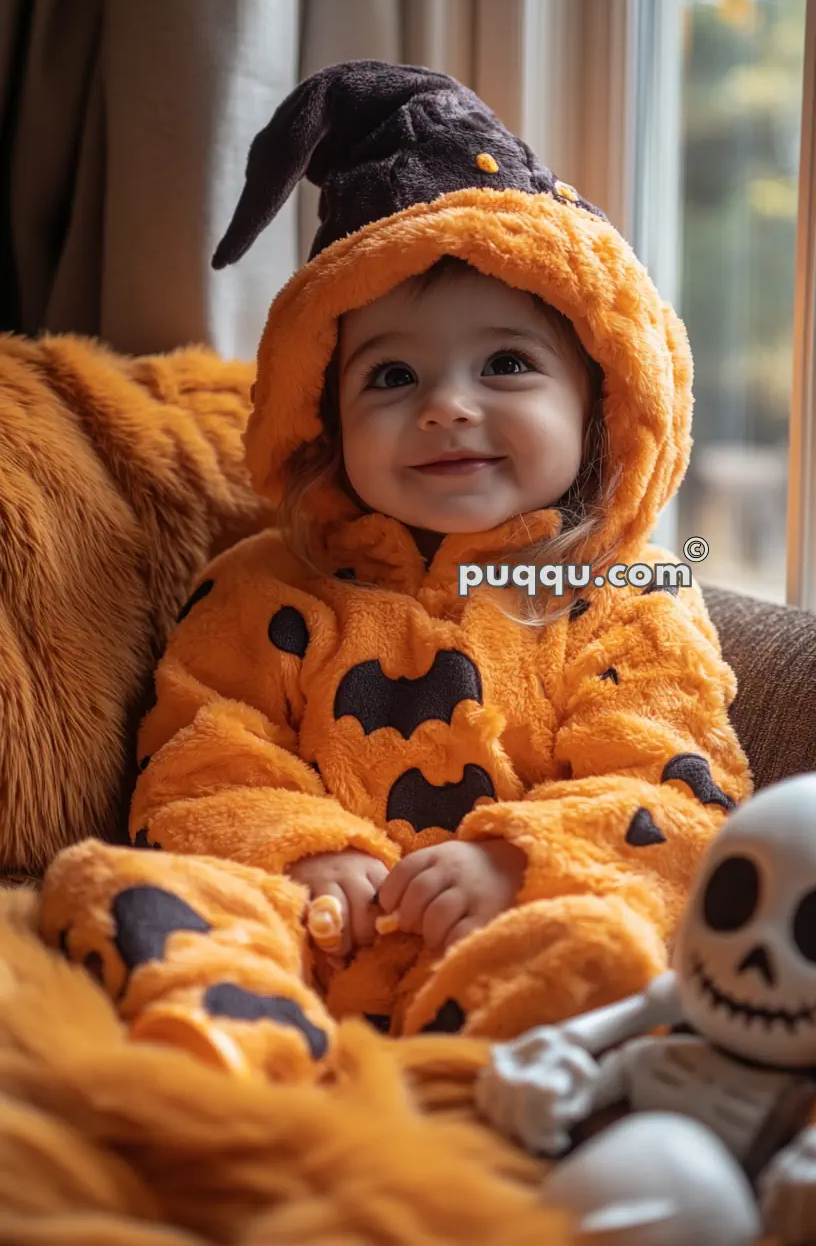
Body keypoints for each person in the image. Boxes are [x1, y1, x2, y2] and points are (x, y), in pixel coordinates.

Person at [38, 61, 751, 1083]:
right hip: (307, 930)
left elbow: (676, 786)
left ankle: (498, 1089)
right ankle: (229, 1053)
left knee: (613, 942)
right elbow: (203, 754)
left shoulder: (628, 600)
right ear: (325, 417)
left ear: (599, 403)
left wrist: (508, 862)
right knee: (102, 886)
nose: (446, 405)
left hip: (516, 930)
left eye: (506, 363)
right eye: (391, 375)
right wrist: (303, 847)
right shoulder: (265, 588)